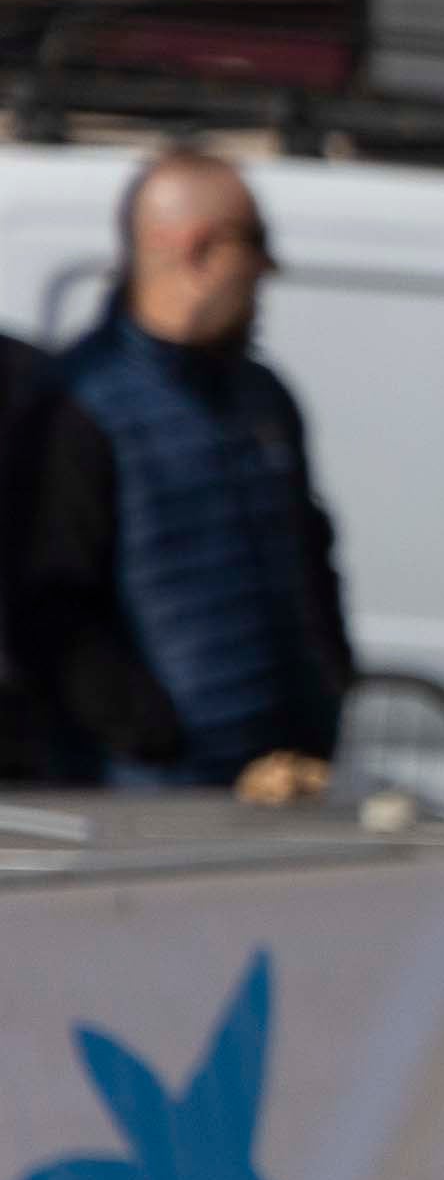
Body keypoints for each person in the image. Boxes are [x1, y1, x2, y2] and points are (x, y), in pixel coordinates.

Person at [11, 150, 351, 796]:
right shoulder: (80, 406)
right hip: (150, 794)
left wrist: (329, 692)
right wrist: (152, 736)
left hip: (283, 776)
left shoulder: (263, 396)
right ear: (196, 249)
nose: (268, 268)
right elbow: (50, 612)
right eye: (254, 242)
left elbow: (313, 556)